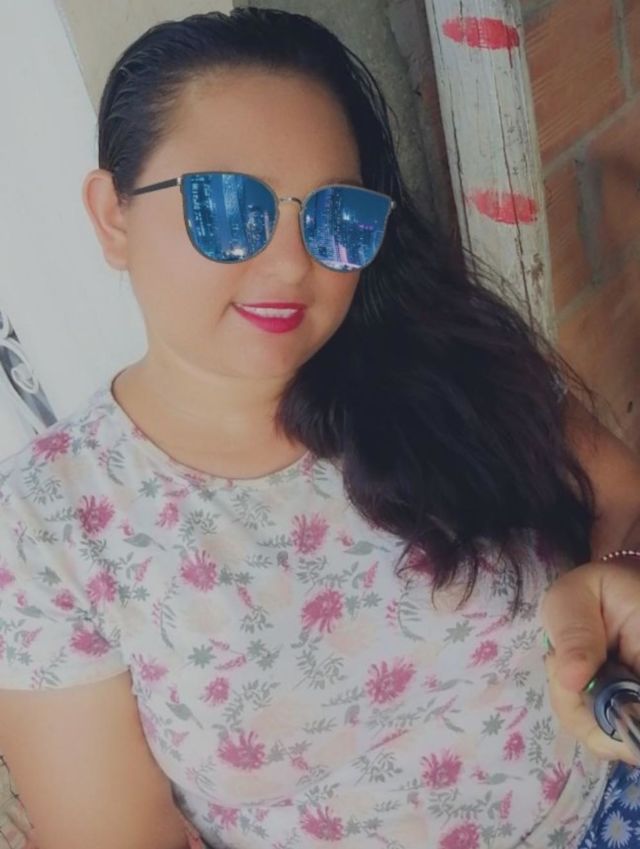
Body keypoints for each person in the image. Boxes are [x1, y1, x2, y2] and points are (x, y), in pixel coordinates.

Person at [2, 7, 640, 849]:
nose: (291, 262)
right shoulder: (47, 529)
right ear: (113, 215)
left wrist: (610, 578)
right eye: (228, 208)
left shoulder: (442, 363)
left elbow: (624, 501)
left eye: (335, 217)